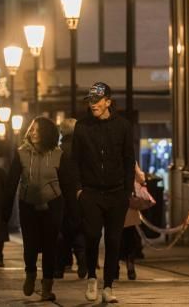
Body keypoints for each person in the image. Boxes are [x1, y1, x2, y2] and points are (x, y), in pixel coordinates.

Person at [70, 82, 135, 304]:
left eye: (97, 101)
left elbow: (129, 160)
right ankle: (91, 277)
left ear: (108, 101)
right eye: (90, 101)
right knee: (92, 236)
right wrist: (79, 190)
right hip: (91, 193)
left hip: (117, 193)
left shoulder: (123, 126)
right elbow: (75, 161)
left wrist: (127, 191)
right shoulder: (82, 127)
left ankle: (108, 286)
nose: (93, 105)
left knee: (114, 240)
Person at [4, 117, 71, 302]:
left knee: (50, 246)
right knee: (30, 245)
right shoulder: (21, 153)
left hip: (53, 204)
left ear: (47, 133)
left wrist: (73, 211)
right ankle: (31, 274)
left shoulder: (58, 154)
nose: (33, 132)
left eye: (37, 130)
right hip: (28, 204)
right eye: (31, 129)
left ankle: (47, 286)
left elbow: (67, 184)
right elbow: (11, 182)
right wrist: (6, 210)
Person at [55, 117, 87, 280]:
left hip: (60, 198)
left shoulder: (57, 152)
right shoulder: (84, 151)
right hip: (80, 197)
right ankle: (83, 262)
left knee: (61, 235)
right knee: (80, 231)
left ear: (62, 132)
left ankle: (59, 268)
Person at [119, 164, 149, 281]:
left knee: (115, 236)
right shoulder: (129, 159)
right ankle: (130, 264)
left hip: (113, 202)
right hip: (129, 203)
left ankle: (114, 268)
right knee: (129, 236)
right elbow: (141, 178)